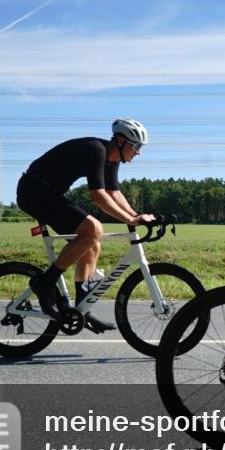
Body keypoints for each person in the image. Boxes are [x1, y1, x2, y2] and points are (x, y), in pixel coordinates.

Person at [17, 118, 155, 332]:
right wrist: (129, 219)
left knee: (93, 242)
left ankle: (82, 308)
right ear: (120, 141)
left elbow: (113, 192)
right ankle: (45, 282)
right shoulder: (96, 150)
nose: (138, 152)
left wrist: (136, 216)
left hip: (49, 193)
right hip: (34, 191)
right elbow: (98, 195)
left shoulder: (112, 158)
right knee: (93, 229)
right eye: (136, 146)